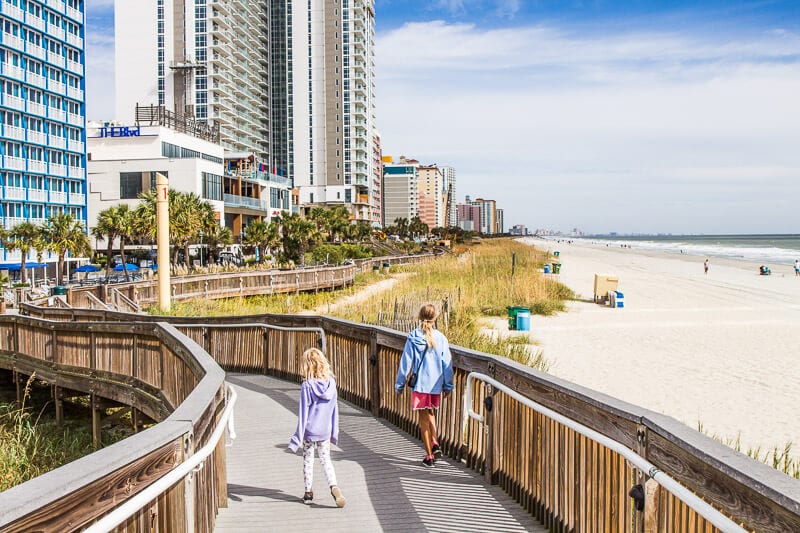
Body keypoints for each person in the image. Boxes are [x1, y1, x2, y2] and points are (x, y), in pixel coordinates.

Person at [394, 303, 454, 467]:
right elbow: (446, 363)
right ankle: (435, 442)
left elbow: (405, 364)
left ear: (419, 317)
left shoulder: (413, 337)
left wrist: (399, 385)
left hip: (420, 385)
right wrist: (448, 386)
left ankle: (429, 456)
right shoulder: (441, 338)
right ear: (435, 319)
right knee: (431, 413)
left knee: (423, 420)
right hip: (435, 385)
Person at [288, 347, 346, 507]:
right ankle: (334, 486)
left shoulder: (307, 386)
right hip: (325, 430)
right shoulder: (332, 384)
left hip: (309, 430)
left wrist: (296, 438)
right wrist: (334, 432)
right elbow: (335, 410)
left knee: (308, 459)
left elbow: (303, 414)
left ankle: (308, 492)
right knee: (326, 459)